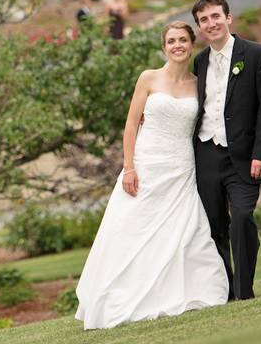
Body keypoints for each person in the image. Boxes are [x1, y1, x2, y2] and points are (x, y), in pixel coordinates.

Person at [76, 22, 228, 329]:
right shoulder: (148, 78)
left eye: (183, 40)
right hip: (146, 164)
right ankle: (124, 294)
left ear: (191, 44)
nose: (177, 45)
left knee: (183, 232)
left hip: (181, 167)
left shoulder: (199, 84)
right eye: (171, 40)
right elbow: (131, 124)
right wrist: (129, 167)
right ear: (164, 46)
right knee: (132, 229)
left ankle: (183, 290)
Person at [191, 0, 261, 301]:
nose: (211, 23)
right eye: (204, 20)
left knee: (242, 217)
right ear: (200, 27)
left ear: (228, 18)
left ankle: (244, 290)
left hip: (244, 156)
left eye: (216, 16)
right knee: (214, 226)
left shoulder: (258, 55)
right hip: (206, 155)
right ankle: (226, 289)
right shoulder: (199, 61)